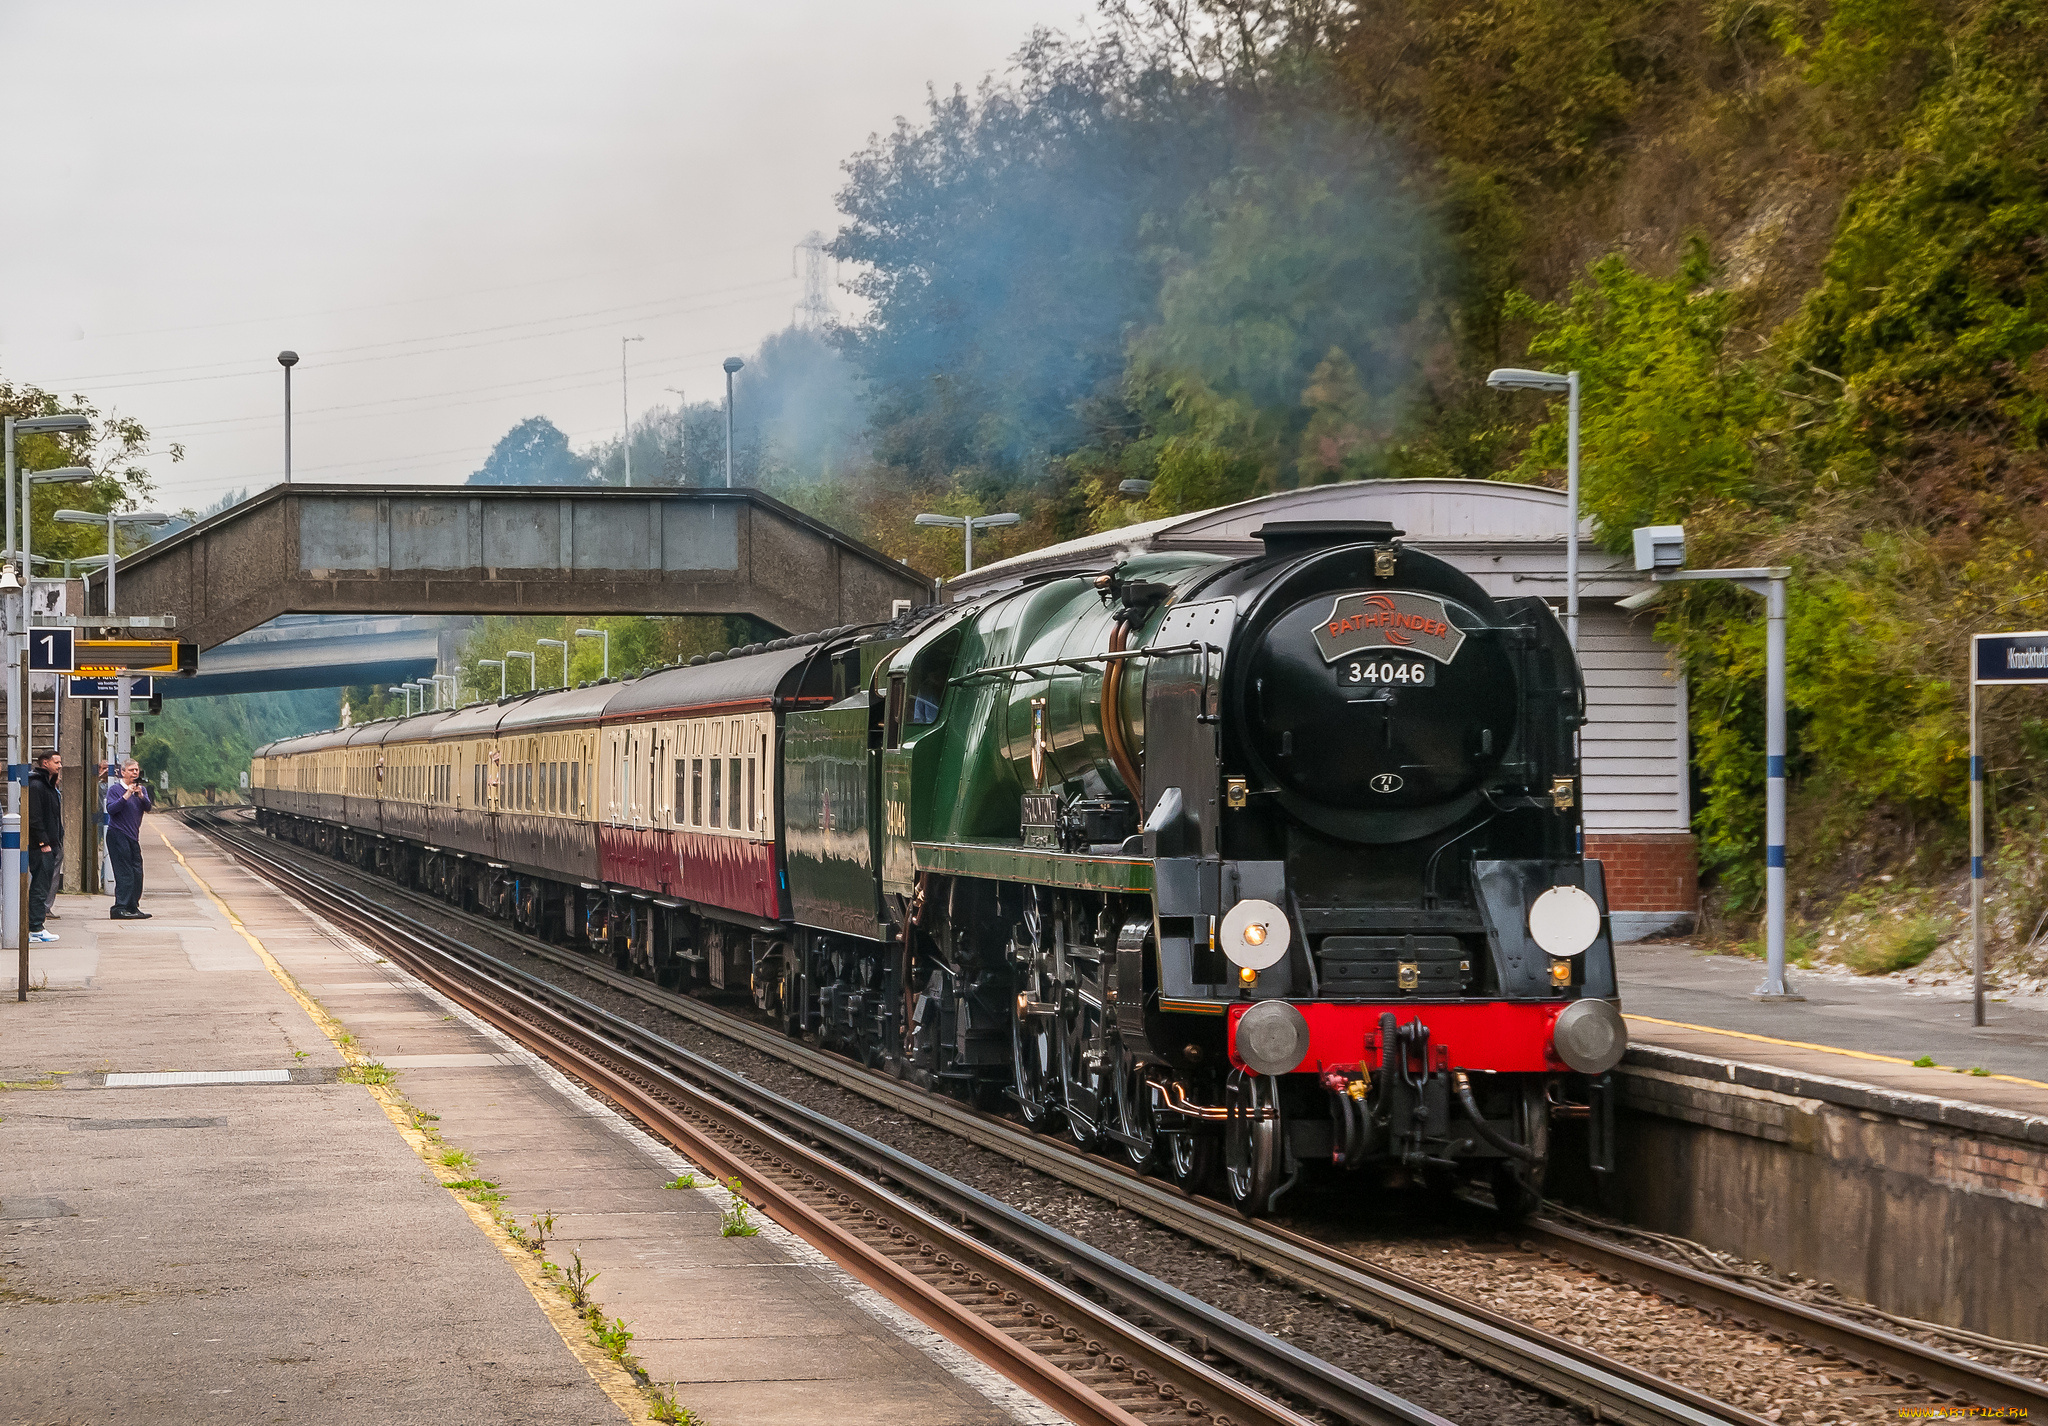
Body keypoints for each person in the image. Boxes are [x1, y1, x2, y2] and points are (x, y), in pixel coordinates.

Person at [105, 758, 152, 920]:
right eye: (131, 770)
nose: (135, 773)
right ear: (123, 772)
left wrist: (140, 796)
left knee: (137, 872)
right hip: (118, 834)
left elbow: (148, 807)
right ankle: (120, 907)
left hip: (133, 836)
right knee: (124, 872)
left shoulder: (141, 790)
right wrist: (127, 794)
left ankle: (133, 906)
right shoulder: (115, 790)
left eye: (137, 770)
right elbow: (112, 809)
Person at [26, 749, 62, 944]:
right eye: (56, 762)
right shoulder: (37, 786)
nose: (60, 765)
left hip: (51, 844)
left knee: (44, 885)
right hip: (42, 847)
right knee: (40, 886)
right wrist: (43, 842)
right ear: (45, 763)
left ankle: (37, 926)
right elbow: (35, 817)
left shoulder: (49, 786)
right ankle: (35, 927)